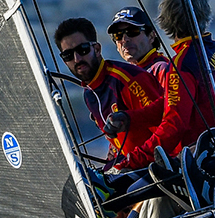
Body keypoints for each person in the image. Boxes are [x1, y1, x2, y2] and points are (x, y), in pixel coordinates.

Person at [118, 0, 215, 170]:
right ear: (204, 14)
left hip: (199, 160)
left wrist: (134, 160)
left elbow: (174, 123)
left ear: (167, 21)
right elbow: (171, 103)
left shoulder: (182, 63)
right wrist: (130, 119)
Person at [53, 18, 163, 166]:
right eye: (68, 55)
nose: (77, 59)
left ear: (97, 49)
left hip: (154, 168)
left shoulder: (127, 79)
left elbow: (164, 125)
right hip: (128, 166)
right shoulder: (89, 94)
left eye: (83, 49)